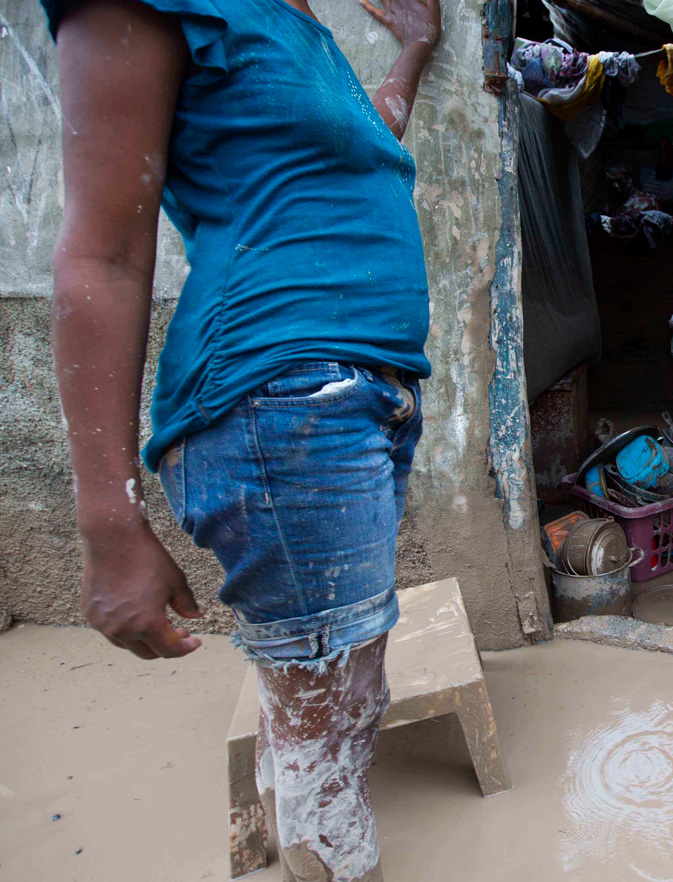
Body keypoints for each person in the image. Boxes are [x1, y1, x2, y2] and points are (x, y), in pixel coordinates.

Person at [44, 0, 440, 877]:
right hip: (283, 404)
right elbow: (99, 255)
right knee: (328, 743)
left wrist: (413, 50)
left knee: (341, 703)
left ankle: (291, 847)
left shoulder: (290, 21)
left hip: (351, 397)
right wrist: (109, 524)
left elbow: (361, 147)